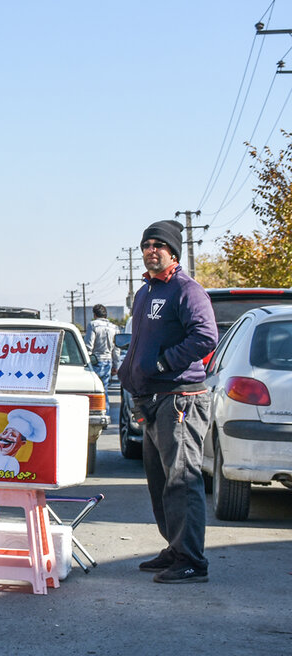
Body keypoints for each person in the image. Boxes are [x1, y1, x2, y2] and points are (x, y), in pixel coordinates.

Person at [117, 219, 218, 585]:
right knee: (160, 482)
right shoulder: (145, 293)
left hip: (180, 400)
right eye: (147, 244)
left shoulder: (186, 290)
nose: (151, 250)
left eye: (159, 245)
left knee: (182, 481)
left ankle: (192, 560)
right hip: (151, 399)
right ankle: (176, 549)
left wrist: (163, 362)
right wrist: (129, 368)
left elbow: (205, 336)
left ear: (173, 251)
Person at [85, 303, 119, 394]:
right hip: (108, 362)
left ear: (94, 315)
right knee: (104, 391)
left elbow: (88, 346)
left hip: (95, 361)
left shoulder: (93, 325)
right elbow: (116, 349)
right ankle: (105, 408)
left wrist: (86, 363)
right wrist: (115, 366)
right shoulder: (114, 327)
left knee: (94, 391)